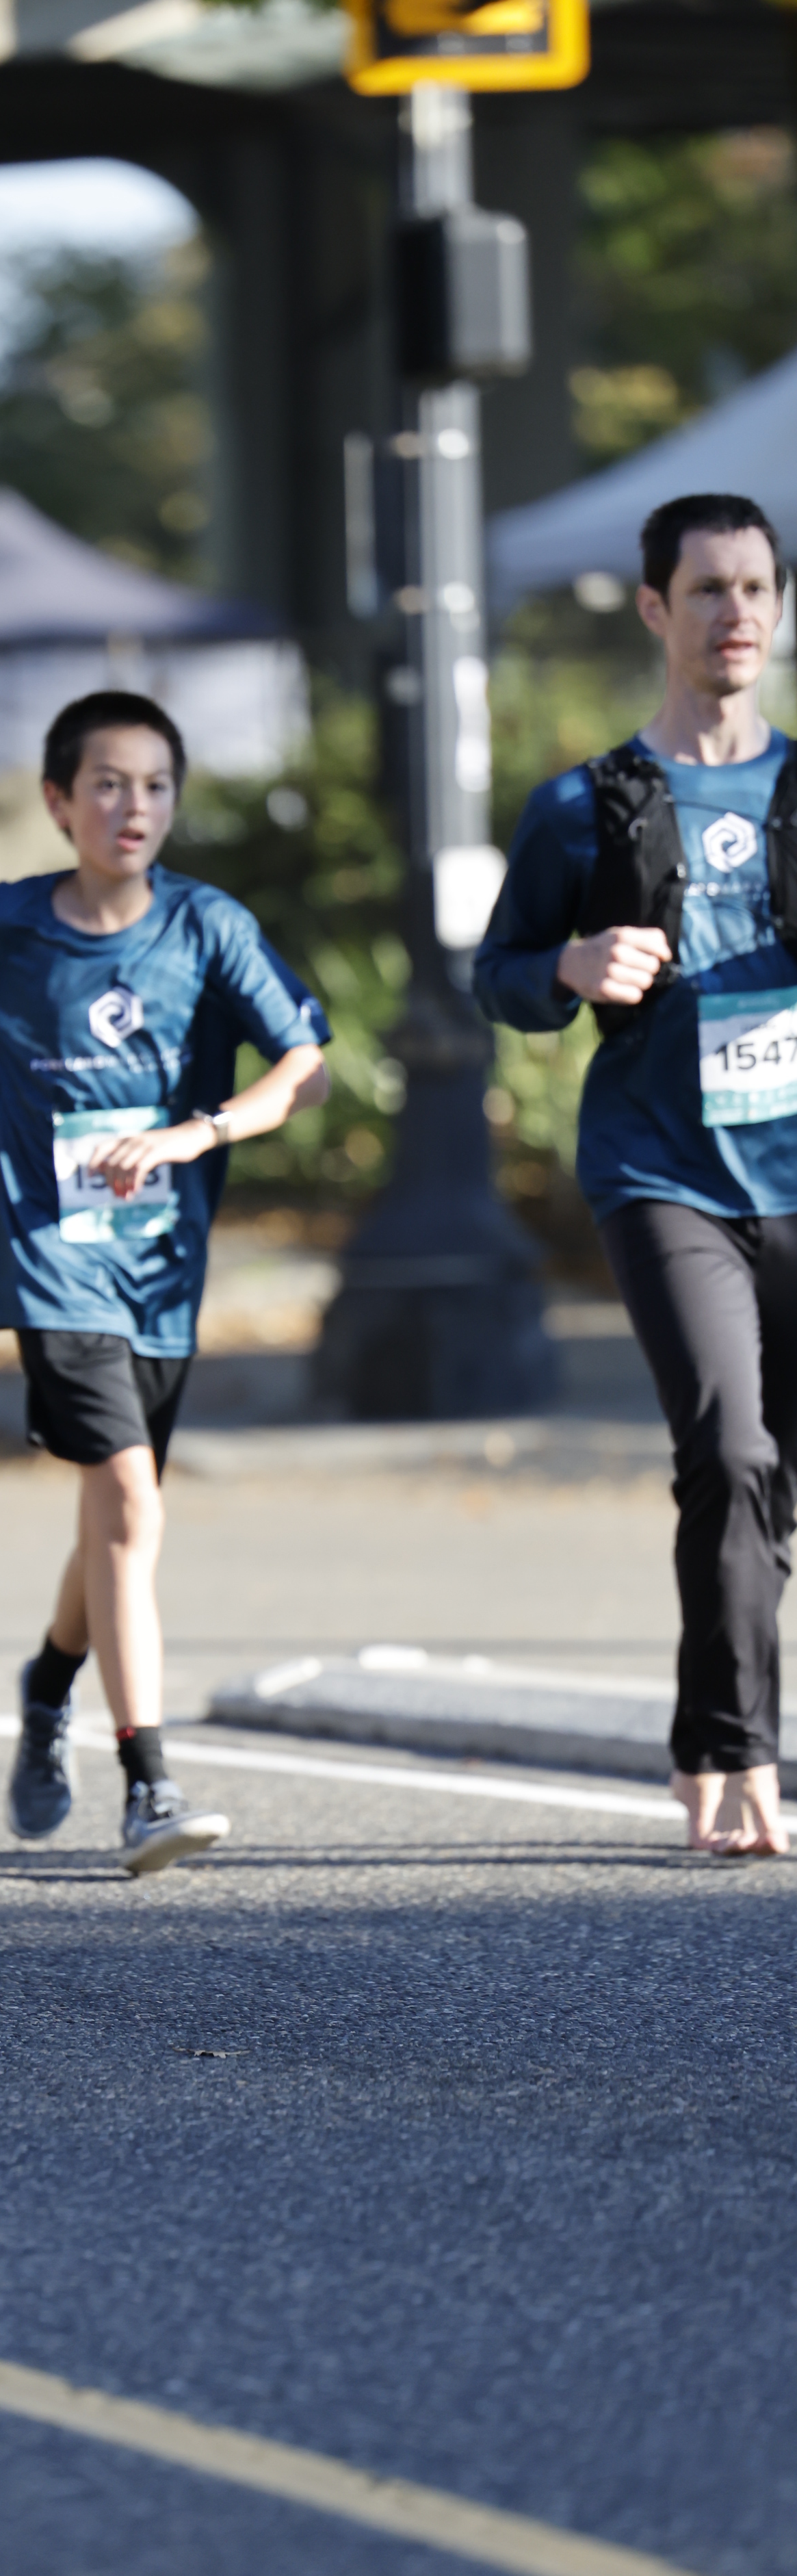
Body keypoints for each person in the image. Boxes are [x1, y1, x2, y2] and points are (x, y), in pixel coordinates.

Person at [0, 691, 330, 1871]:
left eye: (154, 785)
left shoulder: (206, 926)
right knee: (132, 1505)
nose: (132, 806)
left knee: (114, 1515)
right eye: (106, 783)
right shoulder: (3, 928)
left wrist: (203, 1131)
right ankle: (149, 1784)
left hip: (164, 1269)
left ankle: (49, 1683)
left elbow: (306, 1066)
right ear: (58, 802)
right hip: (50, 1260)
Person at [475, 491, 796, 1857]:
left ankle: (712, 1732)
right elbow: (496, 975)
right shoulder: (582, 807)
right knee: (728, 1451)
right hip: (664, 1175)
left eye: (756, 588)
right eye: (708, 589)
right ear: (657, 609)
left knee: (771, 1480)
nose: (736, 614)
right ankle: (740, 1752)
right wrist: (568, 962)